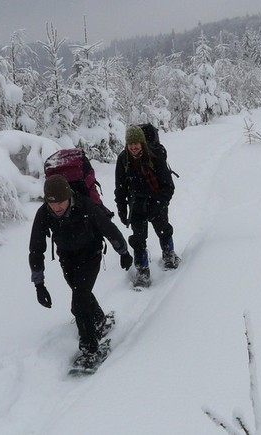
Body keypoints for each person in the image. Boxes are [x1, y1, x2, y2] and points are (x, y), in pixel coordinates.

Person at [29, 174, 134, 367]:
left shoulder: (85, 206)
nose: (57, 207)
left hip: (91, 255)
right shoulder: (44, 213)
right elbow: (36, 249)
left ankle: (90, 349)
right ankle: (99, 320)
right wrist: (39, 284)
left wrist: (123, 252)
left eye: (61, 202)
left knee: (79, 301)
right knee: (80, 293)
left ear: (69, 197)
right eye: (53, 204)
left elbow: (108, 229)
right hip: (67, 259)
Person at [114, 125, 180, 287]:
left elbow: (168, 186)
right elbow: (120, 187)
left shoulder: (154, 156)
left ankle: (168, 254)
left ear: (142, 143)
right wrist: (122, 210)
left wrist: (160, 203)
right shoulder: (123, 160)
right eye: (130, 144)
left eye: (137, 143)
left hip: (156, 199)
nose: (134, 147)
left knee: (163, 228)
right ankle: (142, 270)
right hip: (136, 203)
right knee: (138, 238)